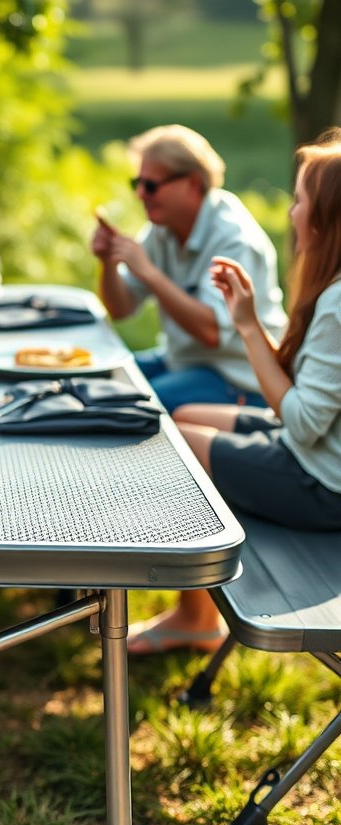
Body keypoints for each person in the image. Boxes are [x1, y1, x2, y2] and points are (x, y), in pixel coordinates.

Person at [128, 136, 341, 655]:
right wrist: (248, 321)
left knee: (176, 445)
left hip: (322, 481)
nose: (291, 212)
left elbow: (301, 420)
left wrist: (246, 331)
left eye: (298, 200)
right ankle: (190, 609)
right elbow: (302, 395)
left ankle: (195, 618)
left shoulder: (337, 304)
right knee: (185, 414)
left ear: (323, 218)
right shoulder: (331, 290)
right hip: (315, 449)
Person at [92, 124, 287, 412]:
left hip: (237, 377)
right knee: (96, 379)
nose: (140, 195)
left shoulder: (234, 240)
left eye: (151, 185)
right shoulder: (162, 230)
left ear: (193, 183)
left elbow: (212, 332)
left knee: (131, 407)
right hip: (180, 362)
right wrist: (107, 261)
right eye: (137, 183)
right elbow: (120, 309)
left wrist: (148, 272)